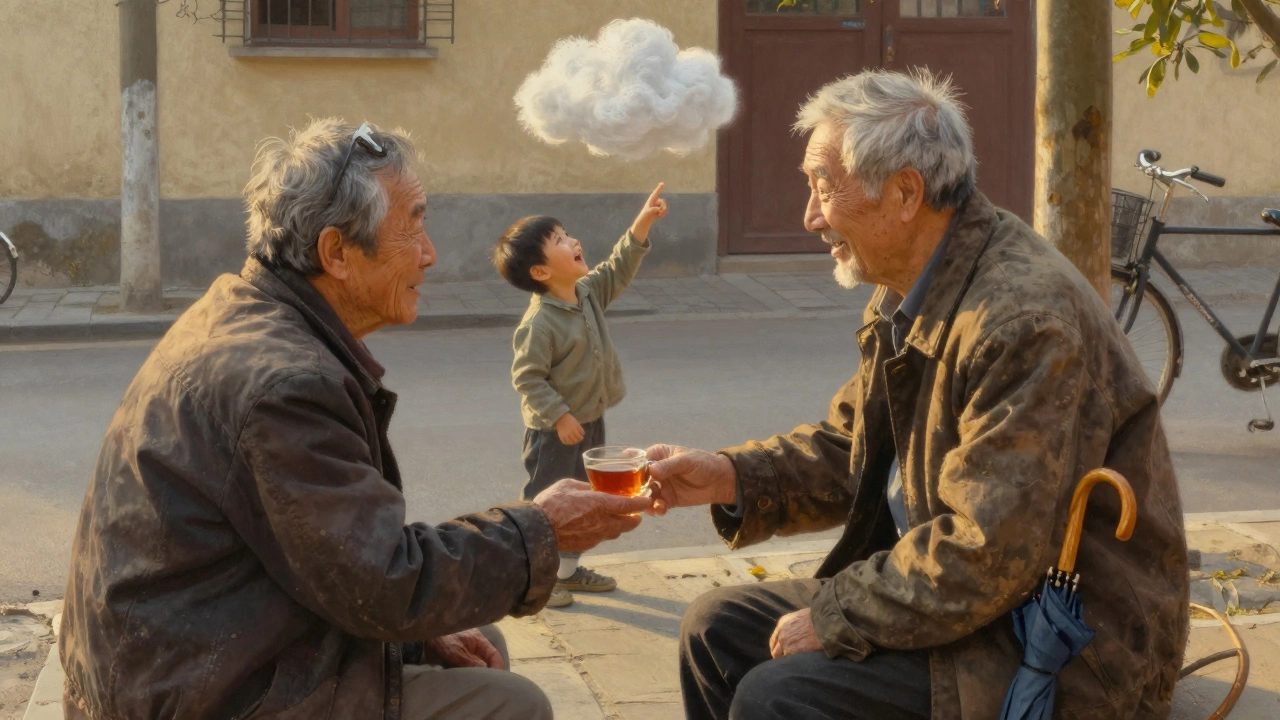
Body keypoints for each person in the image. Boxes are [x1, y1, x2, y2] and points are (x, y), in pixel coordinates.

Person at [58, 118, 652, 720]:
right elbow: (384, 578)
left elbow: (334, 558)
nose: (430, 253)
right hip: (196, 691)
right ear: (336, 253)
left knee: (473, 646)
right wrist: (542, 530)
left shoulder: (247, 310)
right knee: (511, 705)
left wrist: (416, 635)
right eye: (414, 224)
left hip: (194, 653)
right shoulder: (286, 385)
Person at [646, 70, 1189, 720]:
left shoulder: (1021, 319)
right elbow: (855, 445)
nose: (810, 215)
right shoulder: (918, 284)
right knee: (716, 629)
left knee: (779, 695)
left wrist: (836, 612)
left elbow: (988, 553)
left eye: (824, 186)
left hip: (1064, 641)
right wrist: (730, 477)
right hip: (971, 600)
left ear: (906, 191)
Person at [491, 184, 668, 608]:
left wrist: (642, 223)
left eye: (567, 234)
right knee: (549, 501)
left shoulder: (586, 291)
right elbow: (528, 378)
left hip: (588, 418)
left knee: (583, 497)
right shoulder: (539, 324)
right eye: (560, 241)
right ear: (540, 272)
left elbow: (619, 267)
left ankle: (566, 572)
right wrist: (560, 417)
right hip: (555, 431)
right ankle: (535, 580)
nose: (573, 241)